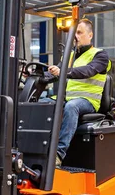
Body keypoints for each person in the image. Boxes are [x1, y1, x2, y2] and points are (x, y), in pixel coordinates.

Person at [47, 18, 110, 167]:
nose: (76, 36)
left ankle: (58, 154)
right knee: (42, 104)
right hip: (67, 98)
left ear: (90, 35)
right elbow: (55, 73)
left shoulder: (100, 55)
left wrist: (63, 71)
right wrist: (37, 75)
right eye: (74, 33)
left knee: (71, 107)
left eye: (80, 32)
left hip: (88, 101)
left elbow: (88, 71)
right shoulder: (69, 56)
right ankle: (38, 148)